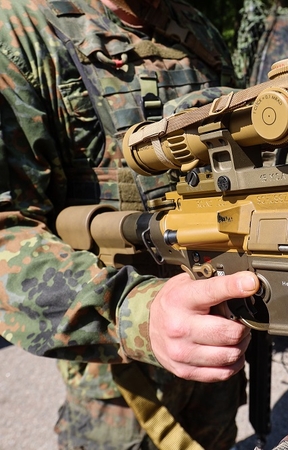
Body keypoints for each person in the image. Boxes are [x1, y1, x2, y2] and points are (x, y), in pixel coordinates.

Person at [0, 0, 260, 448]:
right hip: (117, 385)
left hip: (219, 351)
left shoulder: (196, 28)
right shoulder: (21, 32)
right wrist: (138, 313)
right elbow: (6, 231)